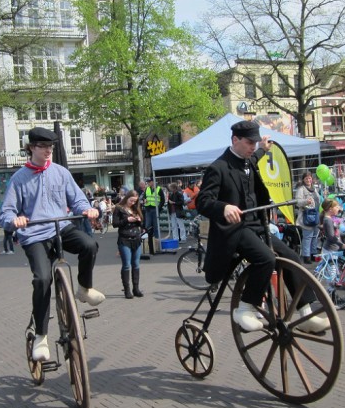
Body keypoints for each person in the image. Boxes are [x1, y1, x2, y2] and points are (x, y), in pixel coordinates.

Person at [196, 120, 329, 334]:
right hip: (234, 230)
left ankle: (304, 314)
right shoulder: (218, 168)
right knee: (266, 258)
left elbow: (256, 155)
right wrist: (223, 207)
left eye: (256, 143)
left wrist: (264, 148)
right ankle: (245, 309)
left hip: (257, 225)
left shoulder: (249, 159)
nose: (253, 147)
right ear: (235, 140)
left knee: (292, 257)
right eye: (250, 143)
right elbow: (203, 201)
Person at [0, 127, 105, 363]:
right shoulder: (18, 179)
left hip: (61, 227)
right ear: (31, 148)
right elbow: (5, 213)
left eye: (51, 147)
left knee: (89, 245)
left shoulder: (61, 173)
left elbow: (77, 200)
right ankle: (41, 337)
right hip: (35, 234)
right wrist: (14, 220)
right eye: (43, 147)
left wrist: (86, 209)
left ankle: (84, 289)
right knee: (42, 279)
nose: (48, 151)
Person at [112, 190, 145, 299]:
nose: (133, 203)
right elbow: (115, 224)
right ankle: (127, 289)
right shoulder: (119, 208)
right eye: (131, 200)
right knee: (126, 264)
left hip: (136, 238)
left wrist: (139, 220)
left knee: (136, 264)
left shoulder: (135, 208)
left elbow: (141, 223)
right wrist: (127, 219)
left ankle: (136, 288)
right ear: (127, 198)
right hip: (124, 239)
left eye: (135, 201)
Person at [295, 172, 322, 264]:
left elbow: (319, 200)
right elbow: (297, 202)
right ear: (303, 179)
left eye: (310, 178)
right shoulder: (301, 189)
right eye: (306, 178)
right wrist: (306, 201)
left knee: (315, 235)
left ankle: (313, 254)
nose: (308, 180)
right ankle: (306, 256)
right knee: (307, 236)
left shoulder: (315, 189)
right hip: (306, 216)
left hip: (315, 215)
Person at [141, 177, 165, 256]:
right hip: (148, 209)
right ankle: (148, 243)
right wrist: (144, 200)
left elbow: (163, 200)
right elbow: (144, 197)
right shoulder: (147, 189)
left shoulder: (159, 189)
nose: (148, 183)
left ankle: (157, 244)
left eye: (149, 182)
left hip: (155, 209)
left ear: (153, 182)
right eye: (147, 182)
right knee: (148, 226)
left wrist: (159, 208)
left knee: (156, 226)